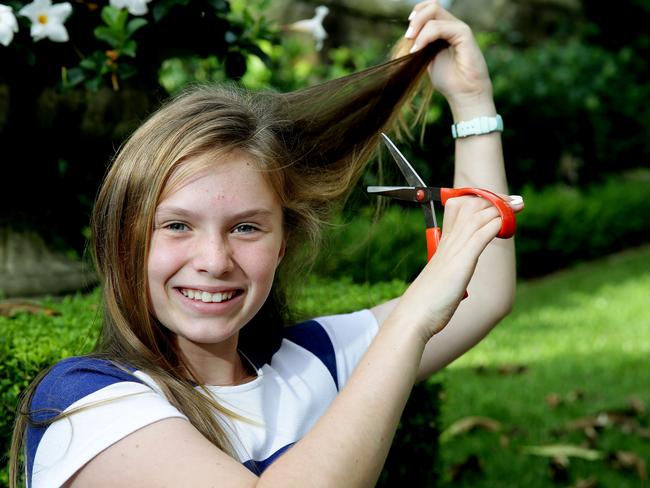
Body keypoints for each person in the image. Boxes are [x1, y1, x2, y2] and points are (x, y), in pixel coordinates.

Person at [11, 1, 524, 486]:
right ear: (127, 240)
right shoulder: (87, 402)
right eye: (177, 226)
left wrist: (471, 101)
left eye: (246, 228)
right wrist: (412, 316)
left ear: (282, 243)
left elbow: (481, 292)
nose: (214, 261)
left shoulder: (311, 362)